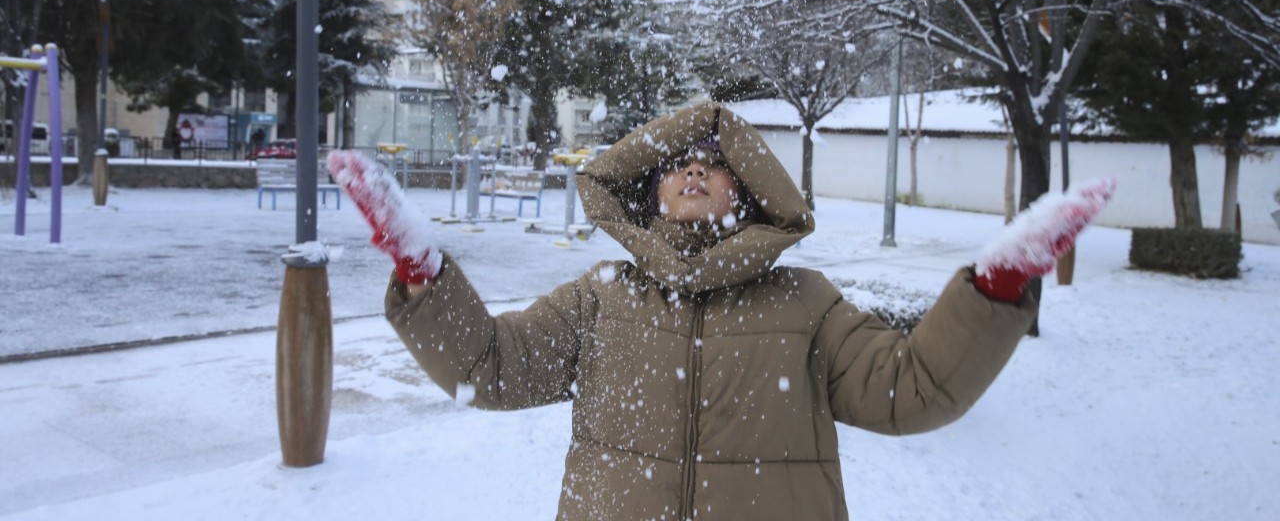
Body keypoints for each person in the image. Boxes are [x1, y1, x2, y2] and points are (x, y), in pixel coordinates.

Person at [329, 103, 1112, 521]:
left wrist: (996, 288)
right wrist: (422, 272)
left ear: (745, 190)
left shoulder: (807, 304)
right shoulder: (601, 299)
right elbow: (490, 367)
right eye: (679, 166)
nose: (695, 174)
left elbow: (912, 390)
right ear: (653, 189)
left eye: (714, 165)